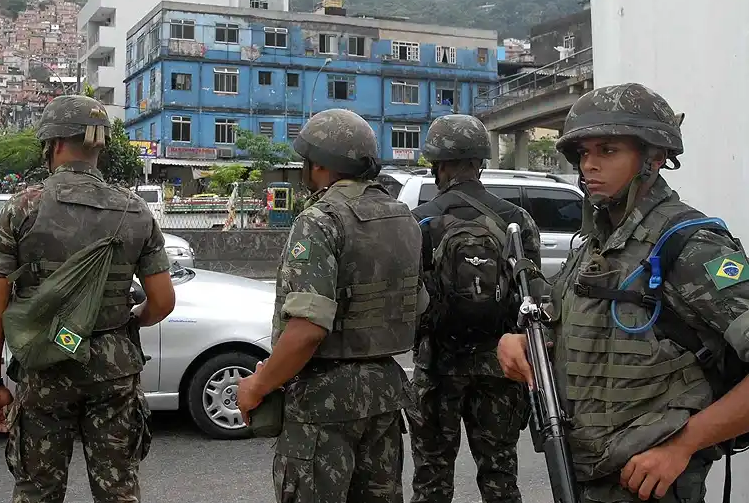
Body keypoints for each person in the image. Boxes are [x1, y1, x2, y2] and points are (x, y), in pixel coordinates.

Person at [497, 82, 749, 502]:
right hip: (584, 476)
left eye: (607, 150)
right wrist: (523, 342)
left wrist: (682, 445)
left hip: (652, 485)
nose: (589, 166)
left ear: (653, 158)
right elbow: (583, 333)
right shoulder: (597, 243)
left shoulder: (689, 245)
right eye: (583, 153)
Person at [0, 94, 176, 503]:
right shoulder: (135, 211)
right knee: (119, 488)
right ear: (99, 145)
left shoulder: (21, 209)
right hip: (114, 370)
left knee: (37, 490)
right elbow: (163, 301)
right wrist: (129, 320)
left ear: (53, 145)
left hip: (45, 368)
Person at [236, 108, 426, 503]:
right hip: (385, 395)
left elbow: (308, 330)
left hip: (325, 402)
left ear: (319, 163)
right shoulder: (403, 217)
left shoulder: (321, 219)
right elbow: (417, 304)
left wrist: (257, 385)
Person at [406, 114, 541, 503]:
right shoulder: (515, 221)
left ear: (438, 164)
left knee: (431, 479)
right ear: (480, 162)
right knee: (499, 475)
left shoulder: (420, 221)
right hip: (499, 367)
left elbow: (409, 299)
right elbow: (528, 294)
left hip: (437, 366)